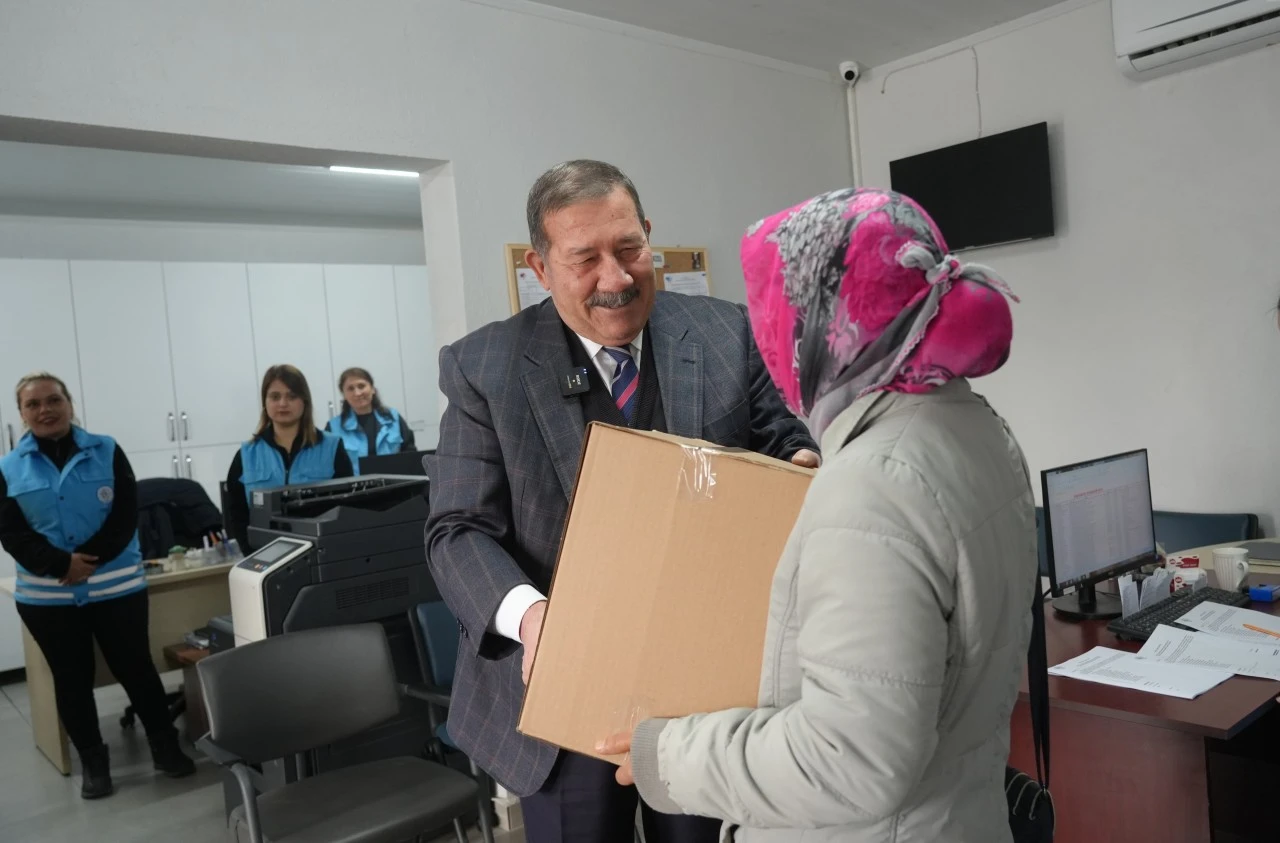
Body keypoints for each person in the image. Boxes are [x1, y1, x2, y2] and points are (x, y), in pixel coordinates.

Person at [600, 188, 1038, 843]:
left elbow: (848, 760)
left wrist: (667, 755)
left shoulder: (872, 483)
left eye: (774, 317)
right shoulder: (975, 426)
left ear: (824, 324)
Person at [424, 159, 819, 843]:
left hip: (702, 688)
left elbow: (783, 440)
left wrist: (800, 468)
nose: (616, 278)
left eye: (630, 248)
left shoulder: (727, 333)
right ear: (540, 269)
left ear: (649, 235)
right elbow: (457, 531)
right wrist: (533, 619)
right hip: (558, 693)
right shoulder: (483, 367)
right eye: (585, 259)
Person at [0, 372, 196, 799]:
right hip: (48, 597)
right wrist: (60, 564)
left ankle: (165, 748)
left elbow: (125, 515)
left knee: (137, 669)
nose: (45, 410)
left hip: (117, 588)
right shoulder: (8, 467)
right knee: (71, 680)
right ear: (21, 414)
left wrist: (84, 562)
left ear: (70, 404)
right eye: (33, 404)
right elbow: (11, 532)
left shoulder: (106, 449)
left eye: (54, 400)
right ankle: (94, 762)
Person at [224, 365, 352, 552]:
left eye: (292, 396)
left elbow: (347, 509)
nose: (283, 403)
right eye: (275, 397)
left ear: (304, 401)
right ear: (265, 402)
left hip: (322, 554)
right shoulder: (246, 454)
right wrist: (253, 554)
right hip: (266, 556)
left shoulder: (332, 448)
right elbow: (236, 514)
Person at [327, 366, 416, 472]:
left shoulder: (393, 418)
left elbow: (410, 455)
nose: (357, 393)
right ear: (344, 395)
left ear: (372, 389)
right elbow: (329, 466)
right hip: (356, 483)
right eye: (350, 389)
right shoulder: (333, 427)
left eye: (361, 386)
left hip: (394, 480)